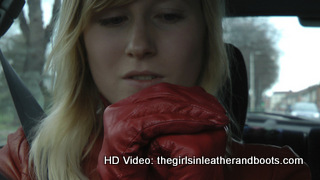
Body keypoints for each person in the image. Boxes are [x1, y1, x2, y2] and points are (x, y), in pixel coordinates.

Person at [0, 0, 311, 179]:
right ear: (80, 43)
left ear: (205, 37)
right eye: (113, 19)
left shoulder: (276, 172)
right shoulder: (28, 159)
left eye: (169, 16)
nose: (140, 45)